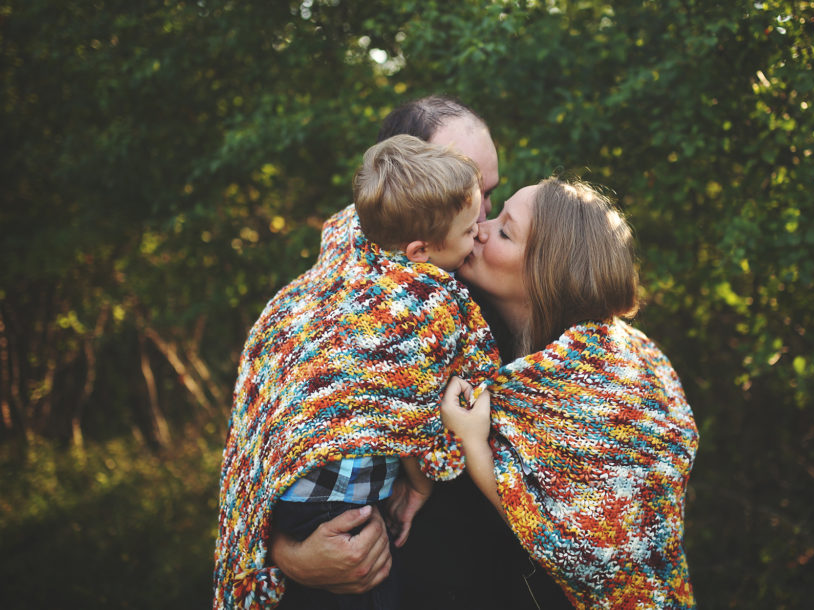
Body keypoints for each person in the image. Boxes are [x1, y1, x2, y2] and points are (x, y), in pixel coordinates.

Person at [264, 95, 572, 609]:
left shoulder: (516, 296)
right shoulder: (329, 307)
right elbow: (277, 447)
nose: (479, 220)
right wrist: (287, 551)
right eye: (460, 190)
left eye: (487, 196)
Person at [214, 135, 501, 609]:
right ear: (420, 250)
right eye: (472, 226)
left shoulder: (323, 292)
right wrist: (422, 482)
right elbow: (420, 421)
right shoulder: (433, 301)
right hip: (344, 508)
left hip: (292, 498)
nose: (483, 230)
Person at [441, 178, 699, 609]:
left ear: (547, 271)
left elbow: (583, 550)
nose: (481, 228)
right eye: (498, 213)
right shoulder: (474, 338)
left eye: (505, 231)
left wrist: (472, 443)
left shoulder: (615, 377)